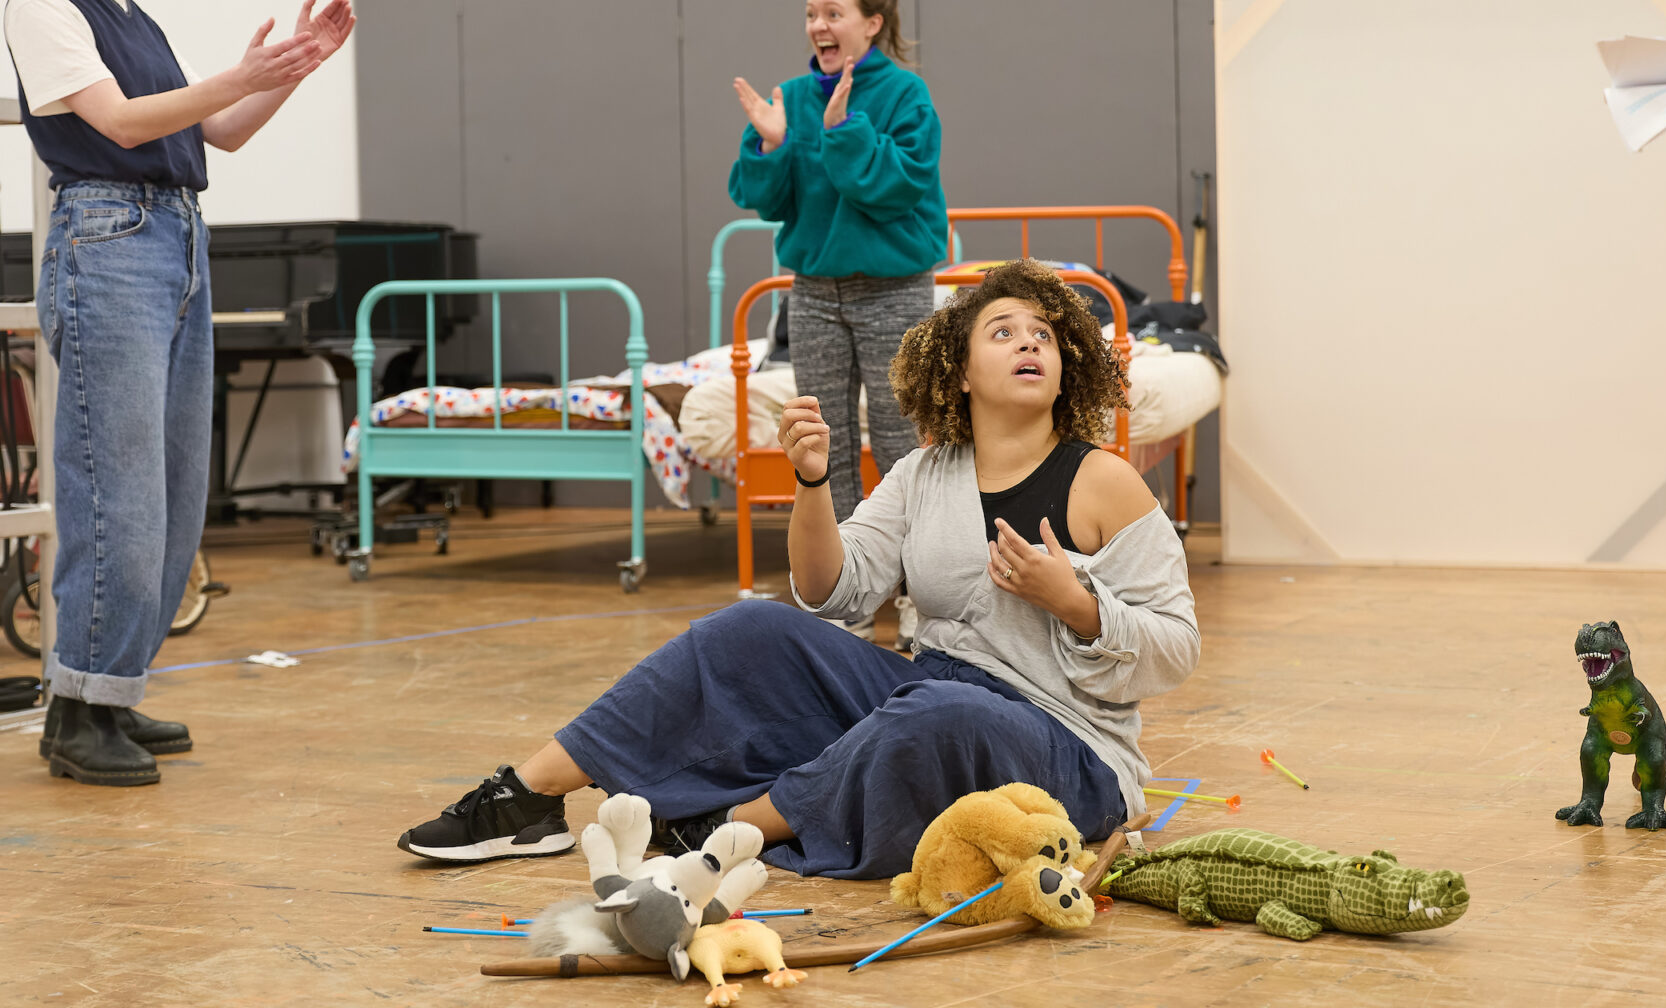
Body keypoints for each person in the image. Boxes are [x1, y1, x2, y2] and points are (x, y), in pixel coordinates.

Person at [396, 260, 1199, 878]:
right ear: (957, 371)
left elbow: (1177, 646)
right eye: (1003, 331)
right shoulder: (928, 472)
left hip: (1068, 746)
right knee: (750, 628)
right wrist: (813, 481)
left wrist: (1077, 604)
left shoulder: (1105, 480)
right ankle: (526, 798)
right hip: (931, 691)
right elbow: (829, 591)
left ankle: (727, 832)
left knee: (940, 711)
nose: (1030, 342)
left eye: (1045, 334)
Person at [4, 0, 355, 785]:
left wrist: (284, 74)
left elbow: (220, 131)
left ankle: (106, 690)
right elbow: (115, 123)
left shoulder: (134, 14)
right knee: (113, 485)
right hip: (111, 235)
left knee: (167, 489)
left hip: (173, 234)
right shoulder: (43, 3)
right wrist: (233, 76)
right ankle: (76, 709)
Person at [728, 0, 944, 646]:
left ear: (871, 23)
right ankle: (844, 600)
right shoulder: (792, 94)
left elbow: (897, 190)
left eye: (833, 13)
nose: (818, 26)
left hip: (894, 292)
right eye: (811, 15)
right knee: (825, 447)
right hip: (815, 295)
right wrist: (768, 147)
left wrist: (846, 130)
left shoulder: (906, 96)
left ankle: (919, 596)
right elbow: (764, 200)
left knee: (904, 442)